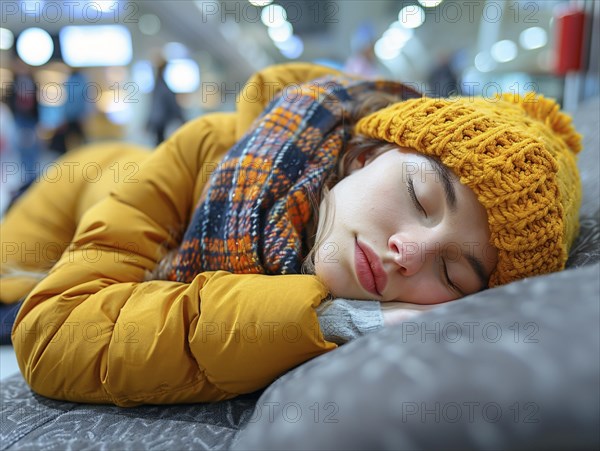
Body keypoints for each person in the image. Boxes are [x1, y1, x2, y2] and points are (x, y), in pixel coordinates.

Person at [0, 63, 581, 406]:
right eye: (420, 198)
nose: (411, 253)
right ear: (363, 156)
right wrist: (330, 318)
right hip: (81, 189)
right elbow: (53, 333)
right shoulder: (205, 148)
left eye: (453, 274)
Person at [146, 59, 185, 145]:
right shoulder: (161, 86)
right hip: (161, 122)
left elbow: (156, 107)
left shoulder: (160, 86)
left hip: (162, 122)